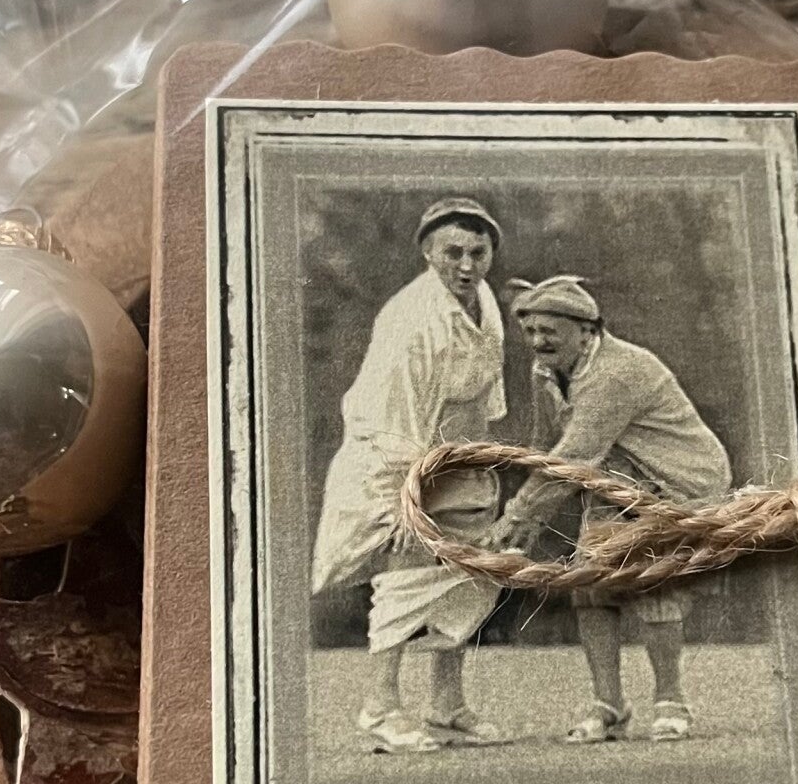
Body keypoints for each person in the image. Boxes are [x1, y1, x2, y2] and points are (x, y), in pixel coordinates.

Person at [495, 276, 732, 743]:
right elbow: (547, 445)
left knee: (649, 581)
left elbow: (575, 456)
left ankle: (670, 701)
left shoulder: (616, 373)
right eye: (531, 331)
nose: (538, 342)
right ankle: (609, 706)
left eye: (550, 331)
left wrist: (520, 514)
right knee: (590, 583)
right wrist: (524, 513)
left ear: (587, 330)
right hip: (618, 476)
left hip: (682, 481)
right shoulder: (545, 370)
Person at [311, 198, 509, 752]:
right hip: (389, 456)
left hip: (455, 453)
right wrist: (407, 499)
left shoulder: (484, 301)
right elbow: (391, 420)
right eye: (453, 252)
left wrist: (478, 463)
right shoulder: (411, 318)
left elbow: (484, 395)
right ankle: (380, 706)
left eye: (478, 252)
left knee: (470, 571)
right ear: (427, 252)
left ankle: (446, 704)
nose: (466, 265)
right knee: (408, 574)